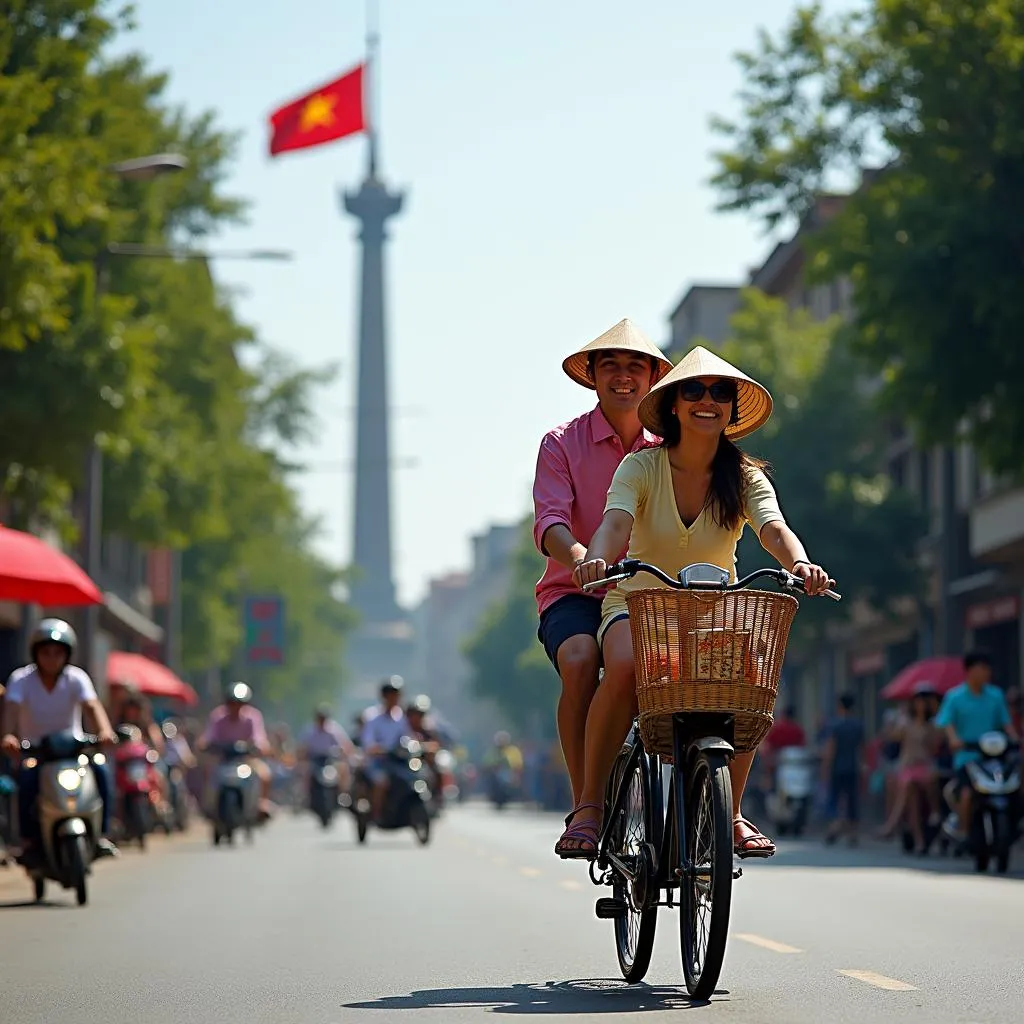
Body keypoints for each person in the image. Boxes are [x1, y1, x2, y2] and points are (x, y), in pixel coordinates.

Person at [564, 346, 833, 859]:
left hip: (715, 607)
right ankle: (590, 808)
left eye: (719, 393)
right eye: (693, 391)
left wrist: (801, 565)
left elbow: (773, 528)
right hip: (637, 602)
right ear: (673, 405)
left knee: (750, 680)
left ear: (732, 408)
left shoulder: (747, 475)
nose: (706, 401)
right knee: (622, 668)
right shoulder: (641, 466)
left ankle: (729, 811)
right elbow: (614, 523)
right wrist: (595, 559)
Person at [533, 319, 672, 810]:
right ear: (592, 375)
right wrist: (578, 558)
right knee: (579, 662)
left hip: (650, 593)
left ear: (653, 377)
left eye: (635, 366)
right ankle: (586, 804)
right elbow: (550, 518)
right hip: (576, 592)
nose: (622, 376)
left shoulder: (670, 449)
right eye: (609, 365)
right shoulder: (560, 442)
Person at [0, 619, 119, 862]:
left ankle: (100, 835)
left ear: (67, 654)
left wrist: (105, 731)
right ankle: (29, 842)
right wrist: (8, 736)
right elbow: (11, 710)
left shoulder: (77, 678)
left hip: (73, 751)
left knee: (101, 771)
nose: (52, 658)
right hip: (35, 753)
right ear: (36, 653)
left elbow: (92, 706)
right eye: (46, 652)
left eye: (57, 652)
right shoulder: (21, 679)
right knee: (26, 781)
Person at [935, 651, 1018, 840]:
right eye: (982, 668)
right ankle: (963, 830)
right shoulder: (955, 697)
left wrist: (1015, 739)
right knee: (966, 794)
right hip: (968, 757)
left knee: (1013, 783)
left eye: (988, 668)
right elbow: (946, 722)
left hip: (995, 756)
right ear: (969, 670)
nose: (986, 672)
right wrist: (954, 739)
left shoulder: (995, 695)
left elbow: (1006, 723)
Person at [877, 683, 941, 852]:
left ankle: (934, 812)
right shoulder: (905, 723)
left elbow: (936, 746)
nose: (921, 705)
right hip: (908, 768)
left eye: (924, 702)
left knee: (930, 779)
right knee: (908, 789)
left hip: (926, 767)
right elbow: (892, 736)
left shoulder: (932, 725)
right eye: (918, 702)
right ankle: (915, 838)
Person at [196, 682, 274, 818]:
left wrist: (260, 747)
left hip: (247, 759)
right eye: (232, 703)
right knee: (207, 773)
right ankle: (209, 805)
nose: (235, 707)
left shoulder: (253, 717)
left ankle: (262, 804)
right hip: (223, 759)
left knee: (265, 774)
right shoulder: (218, 716)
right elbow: (209, 735)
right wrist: (204, 744)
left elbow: (259, 737)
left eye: (239, 703)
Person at [360, 677, 413, 823]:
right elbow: (368, 741)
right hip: (377, 762)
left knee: (412, 778)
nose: (394, 698)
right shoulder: (372, 717)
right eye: (391, 695)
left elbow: (408, 738)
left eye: (397, 695)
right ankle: (376, 813)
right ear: (384, 696)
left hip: (397, 761)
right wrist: (375, 748)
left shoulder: (401, 718)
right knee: (381, 782)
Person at [821, 694, 866, 846]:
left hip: (837, 768)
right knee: (852, 800)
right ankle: (853, 833)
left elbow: (831, 749)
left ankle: (835, 826)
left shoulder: (835, 725)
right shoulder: (858, 725)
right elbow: (862, 749)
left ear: (840, 706)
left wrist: (825, 767)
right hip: (853, 767)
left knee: (835, 799)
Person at [297, 704, 356, 799]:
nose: (322, 720)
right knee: (305, 771)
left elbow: (345, 745)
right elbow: (301, 747)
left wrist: (343, 752)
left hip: (330, 759)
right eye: (320, 717)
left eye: (324, 718)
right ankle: (306, 796)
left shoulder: (334, 729)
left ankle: (343, 795)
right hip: (314, 759)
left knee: (343, 768)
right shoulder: (309, 730)